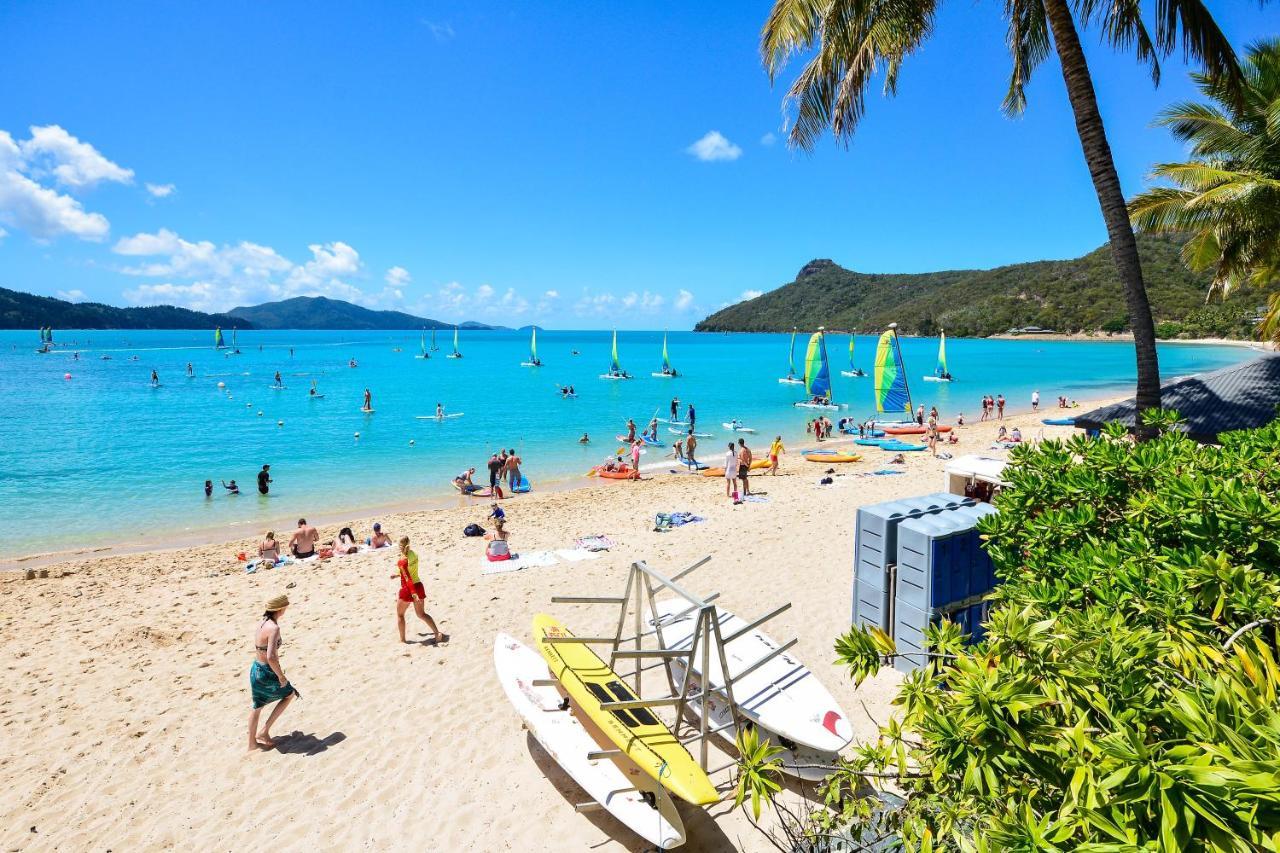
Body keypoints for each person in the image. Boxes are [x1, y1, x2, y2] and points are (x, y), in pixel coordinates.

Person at [248, 593, 297, 751]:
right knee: (289, 694)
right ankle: (263, 732)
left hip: (255, 669)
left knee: (257, 706)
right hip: (266, 672)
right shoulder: (274, 628)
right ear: (280, 609)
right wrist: (281, 676)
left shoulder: (262, 622)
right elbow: (271, 657)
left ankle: (251, 744)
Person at [394, 537, 444, 645]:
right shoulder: (414, 555)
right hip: (419, 586)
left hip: (408, 589)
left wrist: (413, 593)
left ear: (400, 547)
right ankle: (437, 633)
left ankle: (402, 640)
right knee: (421, 614)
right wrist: (397, 574)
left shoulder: (402, 561)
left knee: (400, 615)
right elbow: (408, 571)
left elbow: (408, 578)